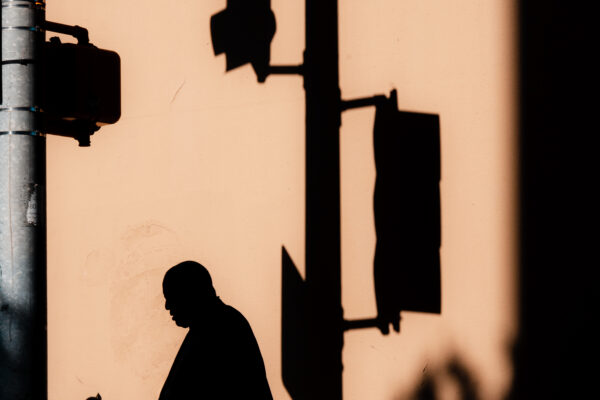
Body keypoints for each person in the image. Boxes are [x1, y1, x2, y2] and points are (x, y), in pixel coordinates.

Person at [159, 261, 273, 399]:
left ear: (191, 293)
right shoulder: (209, 326)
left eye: (172, 297)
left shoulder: (221, 328)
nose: (167, 306)